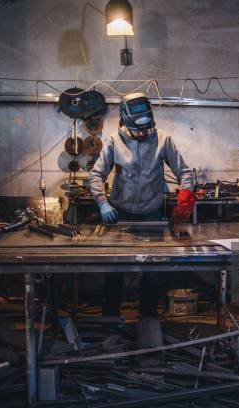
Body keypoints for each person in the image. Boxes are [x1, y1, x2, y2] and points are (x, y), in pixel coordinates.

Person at [89, 92, 195, 318]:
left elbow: (185, 173)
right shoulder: (113, 141)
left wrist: (185, 201)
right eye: (138, 130)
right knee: (115, 270)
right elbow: (96, 175)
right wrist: (102, 203)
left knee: (153, 270)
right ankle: (111, 316)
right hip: (121, 215)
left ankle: (147, 316)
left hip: (151, 214)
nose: (144, 133)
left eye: (147, 129)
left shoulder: (163, 139)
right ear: (126, 123)